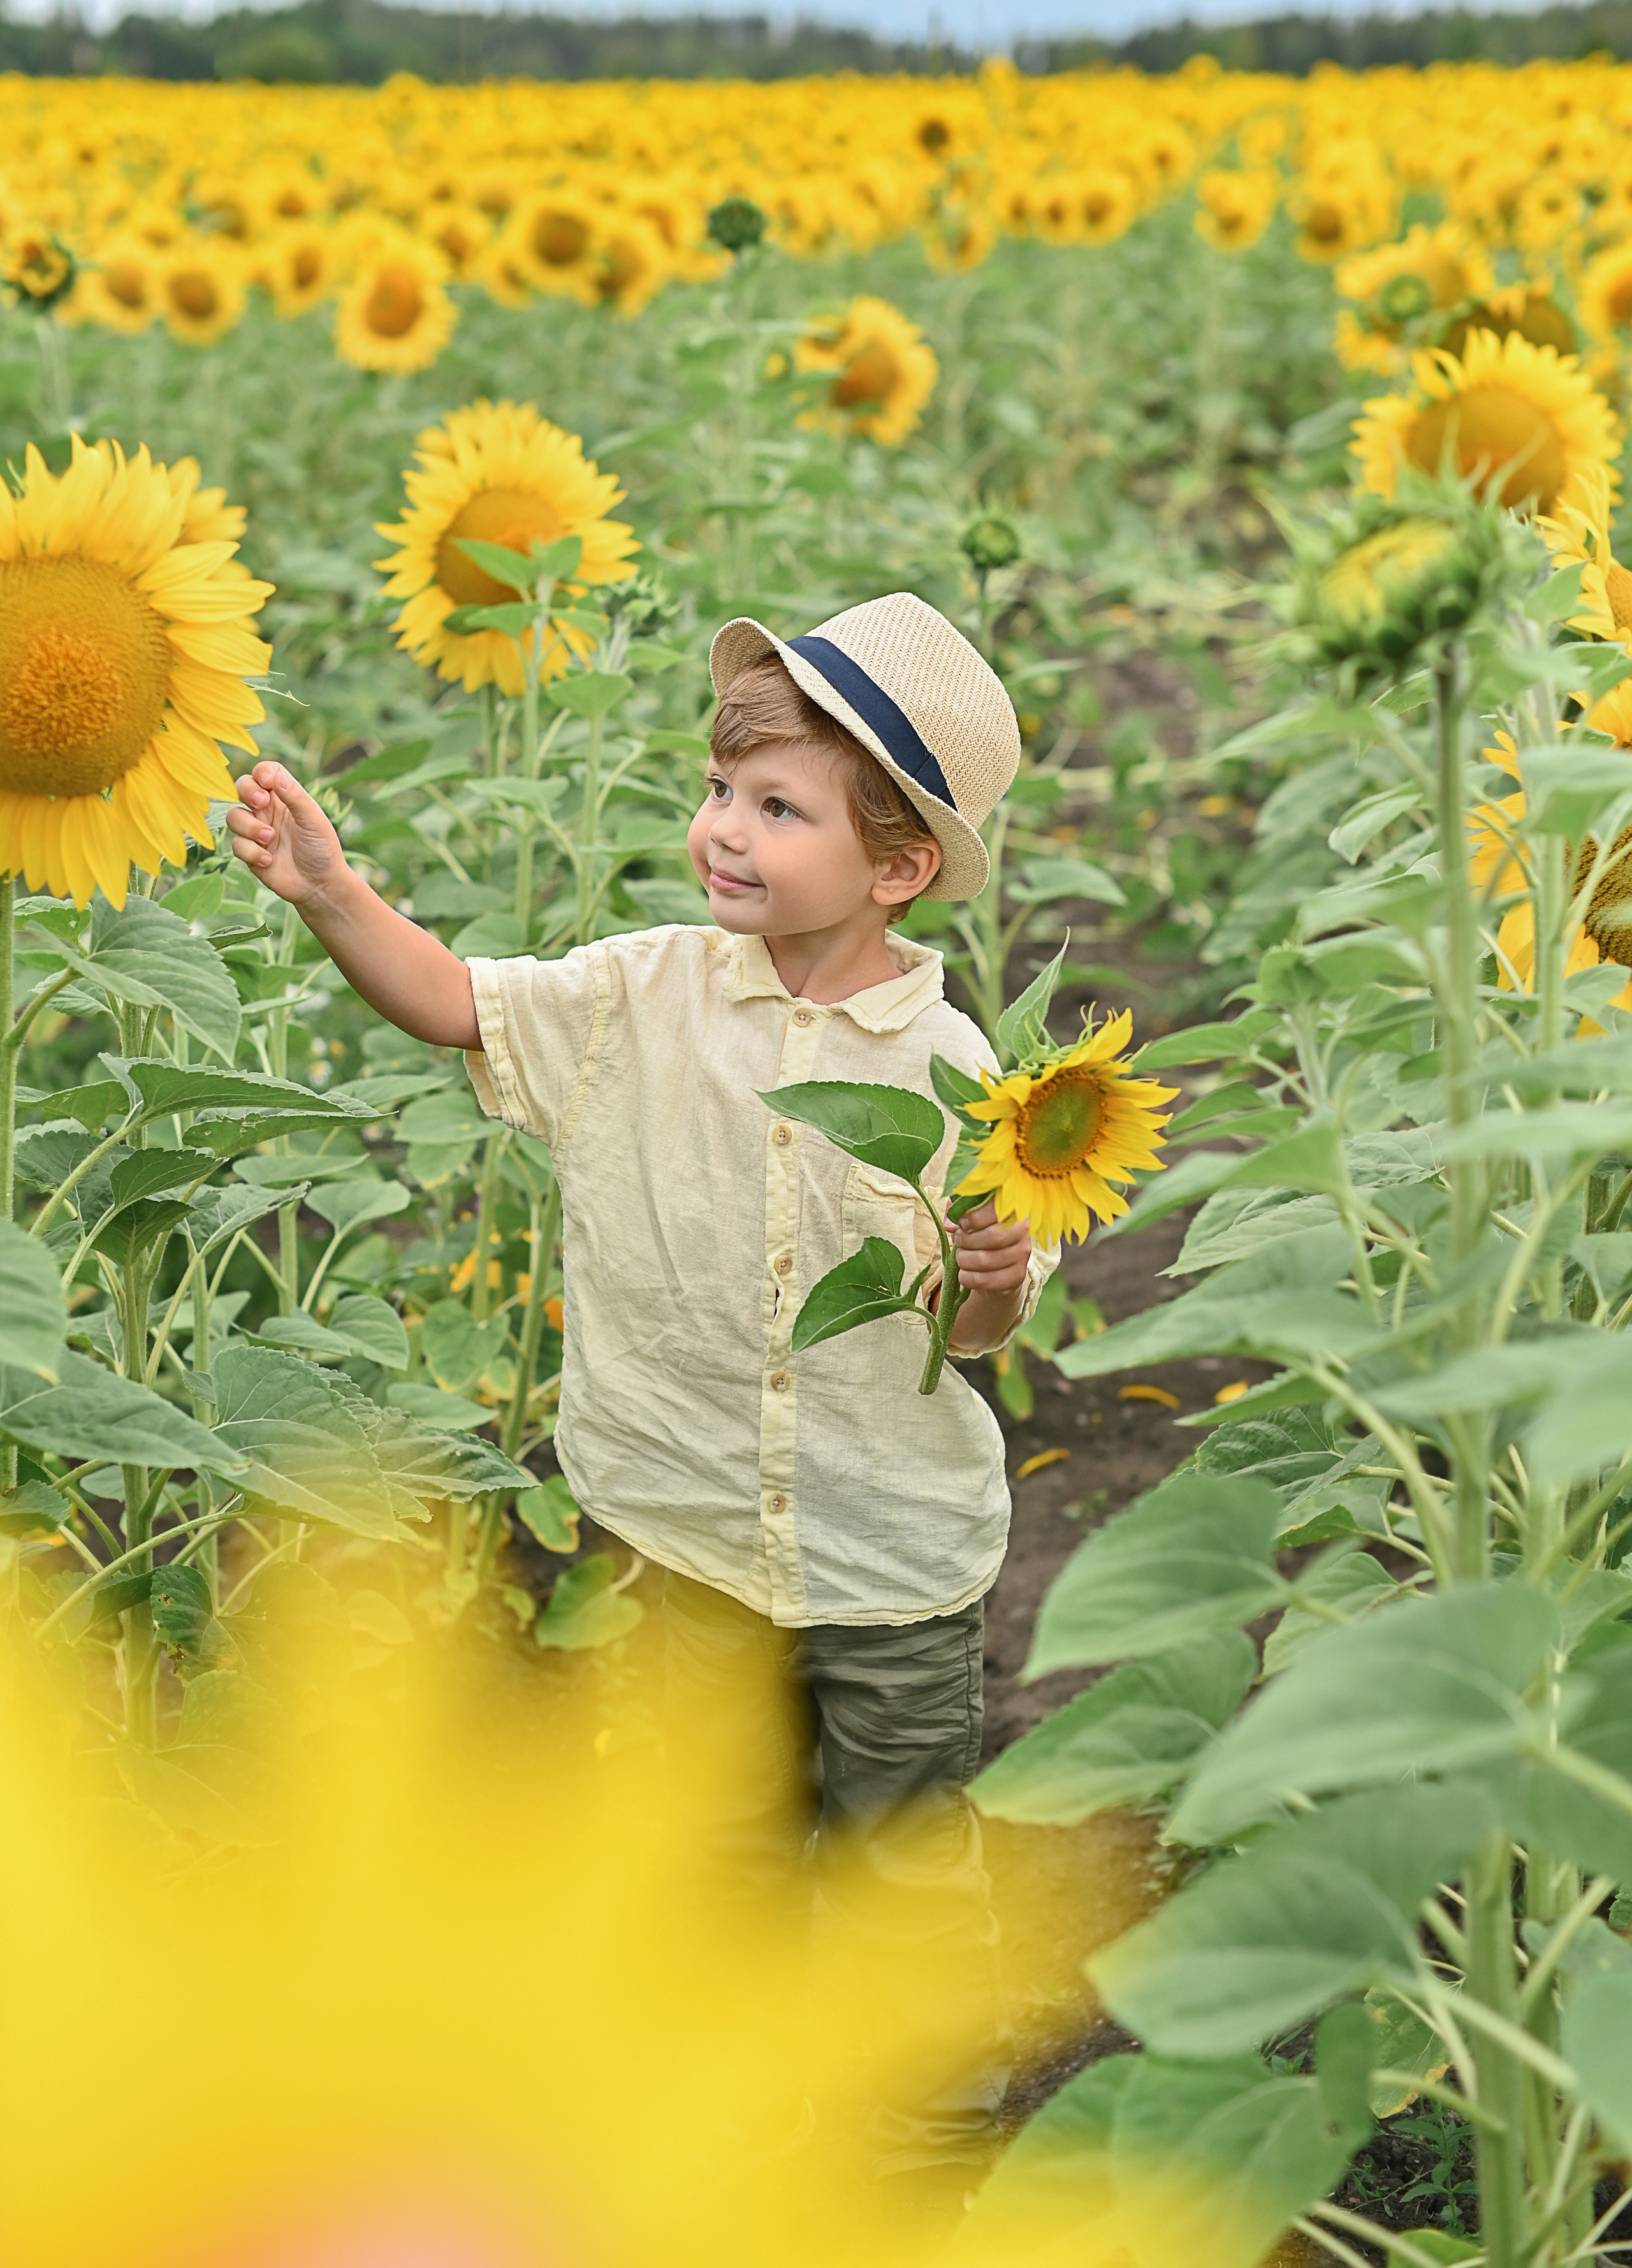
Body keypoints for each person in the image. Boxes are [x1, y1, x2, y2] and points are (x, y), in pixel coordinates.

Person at [227, 589, 1058, 2243]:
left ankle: (917, 2163)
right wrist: (333, 895)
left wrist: (992, 1268)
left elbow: (966, 1334)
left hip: (888, 1557)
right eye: (720, 791)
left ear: (899, 868)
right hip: (686, 1531)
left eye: (778, 808)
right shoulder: (638, 995)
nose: (723, 831)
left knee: (898, 1860)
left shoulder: (951, 1067)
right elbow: (459, 1000)